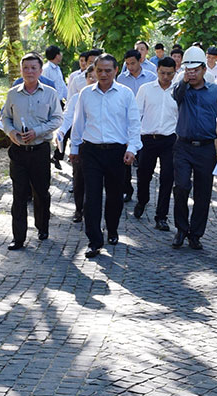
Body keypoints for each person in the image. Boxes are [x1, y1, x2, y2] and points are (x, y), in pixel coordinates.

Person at [70, 53, 142, 258]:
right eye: (99, 70)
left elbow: (134, 124)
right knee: (91, 196)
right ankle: (94, 240)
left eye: (107, 70)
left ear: (116, 71)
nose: (103, 74)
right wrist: (74, 149)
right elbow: (79, 123)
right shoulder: (85, 94)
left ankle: (112, 228)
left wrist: (132, 149)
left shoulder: (126, 94)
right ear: (94, 70)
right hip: (91, 150)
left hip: (117, 152)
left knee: (114, 195)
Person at [2, 52, 63, 250]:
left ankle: (42, 226)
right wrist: (11, 132)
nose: (29, 72)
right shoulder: (13, 93)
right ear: (21, 70)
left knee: (41, 192)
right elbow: (5, 117)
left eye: (33, 68)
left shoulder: (50, 93)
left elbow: (57, 119)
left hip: (40, 150)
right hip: (18, 151)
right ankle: (18, 237)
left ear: (40, 70)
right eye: (25, 68)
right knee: (19, 194)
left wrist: (38, 131)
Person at [171, 46, 217, 250]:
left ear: (204, 69)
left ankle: (195, 234)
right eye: (188, 70)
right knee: (181, 187)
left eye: (195, 70)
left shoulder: (216, 91)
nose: (192, 73)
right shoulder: (182, 89)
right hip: (183, 146)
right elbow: (175, 98)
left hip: (206, 148)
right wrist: (184, 82)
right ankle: (181, 228)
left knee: (203, 193)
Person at [134, 56, 179, 231]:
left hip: (170, 140)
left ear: (175, 73)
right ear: (157, 71)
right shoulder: (146, 89)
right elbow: (137, 114)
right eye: (162, 73)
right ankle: (142, 200)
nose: (165, 77)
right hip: (148, 138)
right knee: (144, 174)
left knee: (167, 178)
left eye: (169, 73)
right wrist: (134, 140)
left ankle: (161, 216)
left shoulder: (178, 91)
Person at [56, 65, 97, 223]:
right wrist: (61, 132)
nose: (93, 80)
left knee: (94, 181)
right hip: (79, 144)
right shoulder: (76, 98)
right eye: (90, 77)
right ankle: (79, 209)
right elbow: (67, 118)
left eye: (95, 77)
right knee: (79, 179)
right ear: (86, 79)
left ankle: (91, 210)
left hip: (97, 145)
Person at [117, 49, 157, 202]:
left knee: (143, 163)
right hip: (125, 125)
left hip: (145, 125)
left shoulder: (151, 78)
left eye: (132, 63)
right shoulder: (121, 79)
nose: (130, 67)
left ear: (140, 61)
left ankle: (143, 194)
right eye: (127, 64)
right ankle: (127, 188)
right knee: (125, 159)